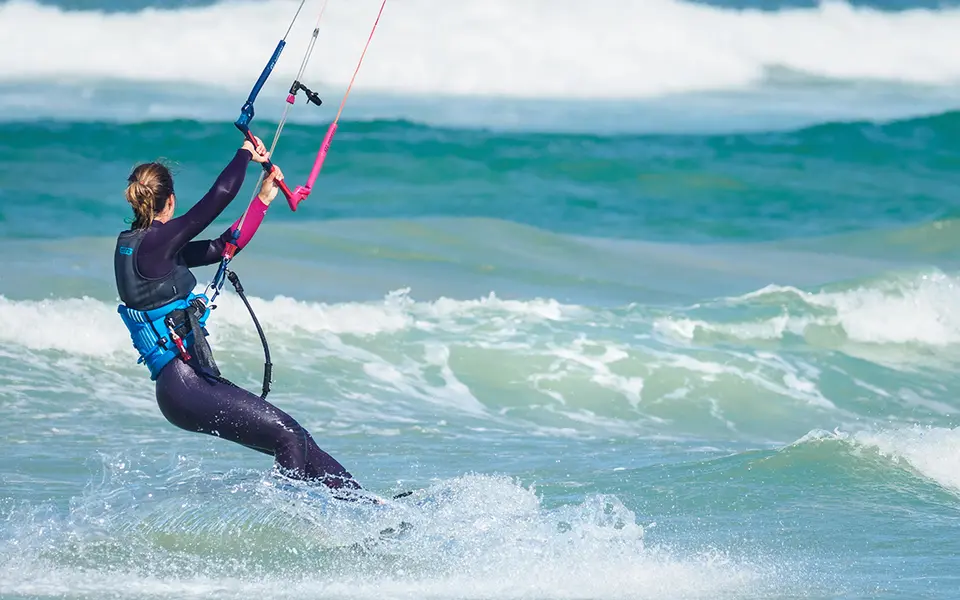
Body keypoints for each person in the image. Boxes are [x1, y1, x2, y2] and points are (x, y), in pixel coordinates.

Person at [114, 136, 362, 493]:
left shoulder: (141, 248)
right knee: (289, 437)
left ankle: (363, 505)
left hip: (184, 385)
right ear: (170, 201)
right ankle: (295, 522)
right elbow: (220, 197)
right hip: (184, 384)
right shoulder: (156, 243)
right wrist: (245, 153)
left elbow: (222, 247)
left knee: (297, 439)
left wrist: (261, 200)